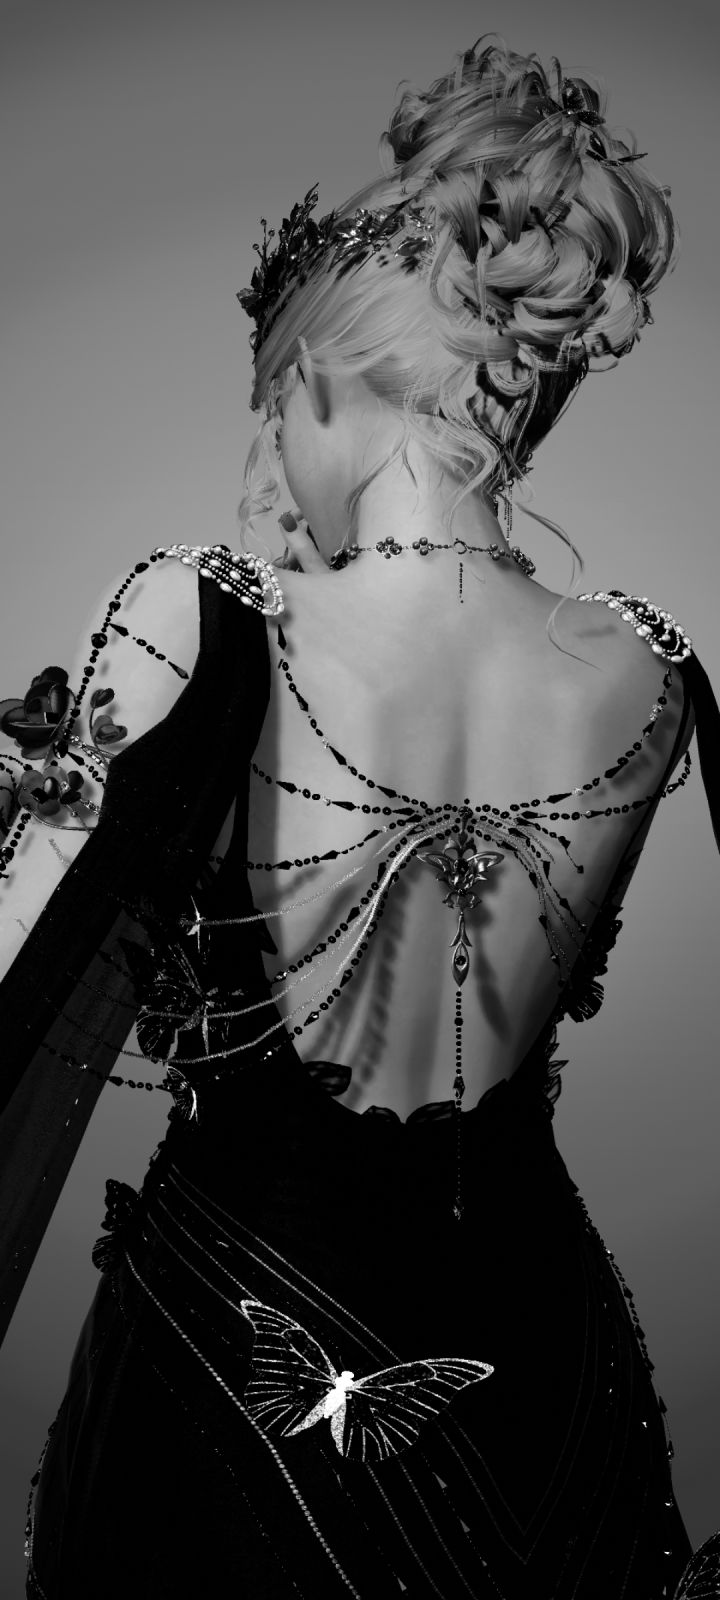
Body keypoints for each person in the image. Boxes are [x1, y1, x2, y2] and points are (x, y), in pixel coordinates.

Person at [1, 32, 718, 1599]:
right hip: (543, 1378)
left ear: (326, 373)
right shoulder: (656, 674)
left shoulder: (205, 614)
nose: (266, 471)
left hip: (235, 1362)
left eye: (273, 413)